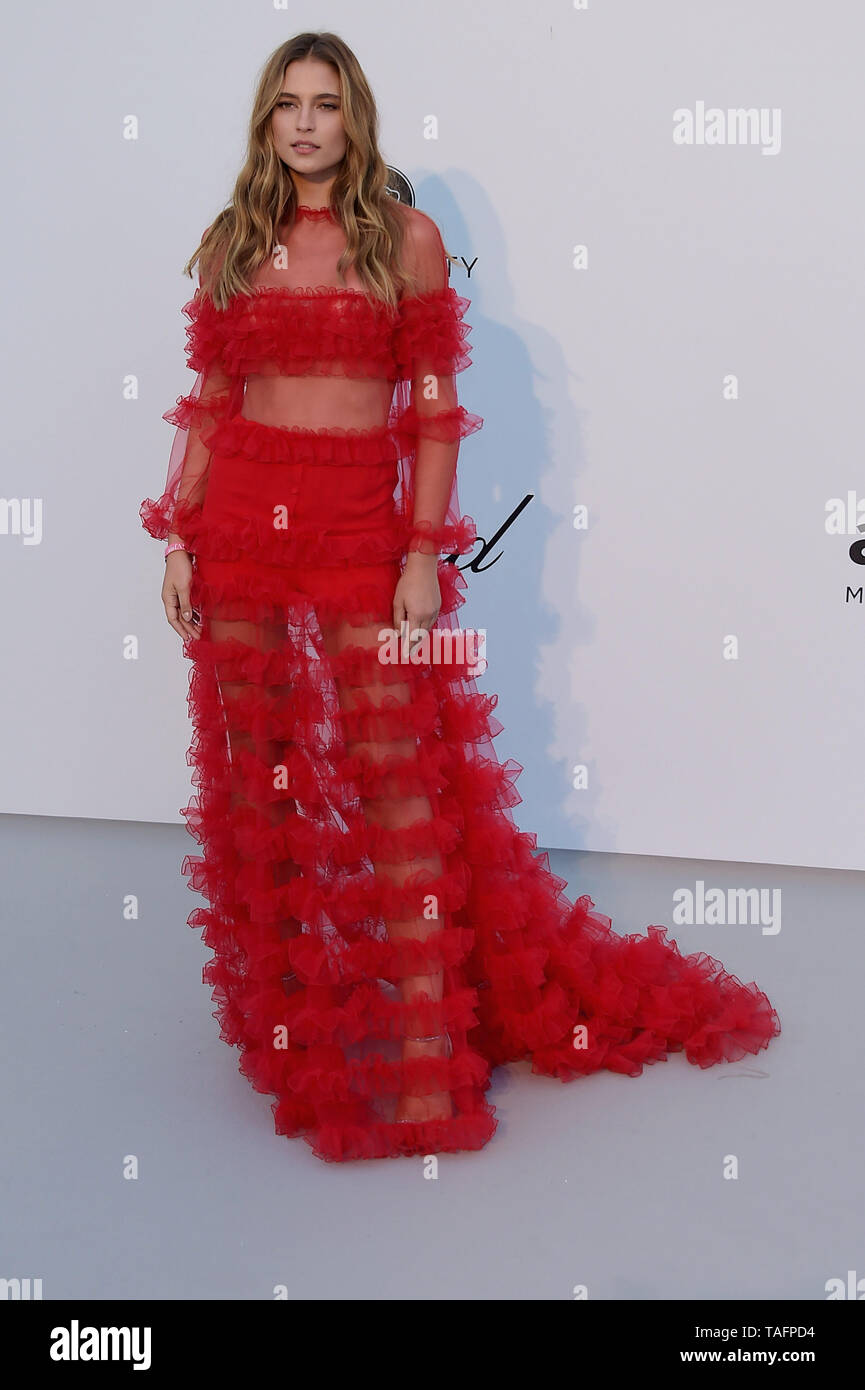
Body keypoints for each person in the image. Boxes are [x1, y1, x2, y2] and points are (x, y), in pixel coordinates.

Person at [140, 31, 780, 1163]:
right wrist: (183, 537)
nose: (303, 124)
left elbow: (431, 412)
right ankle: (299, 1039)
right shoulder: (235, 243)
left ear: (355, 118)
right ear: (264, 122)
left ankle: (428, 1051)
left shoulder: (408, 243)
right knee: (264, 787)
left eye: (325, 104)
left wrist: (421, 554)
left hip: (354, 535)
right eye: (285, 104)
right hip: (240, 531)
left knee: (395, 785)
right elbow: (208, 400)